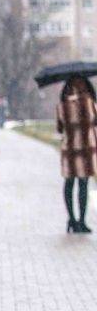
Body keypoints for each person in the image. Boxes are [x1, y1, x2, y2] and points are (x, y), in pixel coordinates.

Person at [56, 75, 97, 233]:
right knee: (83, 184)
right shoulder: (90, 103)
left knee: (69, 184)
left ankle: (71, 219)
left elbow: (59, 129)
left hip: (69, 150)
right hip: (86, 149)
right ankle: (82, 221)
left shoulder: (62, 105)